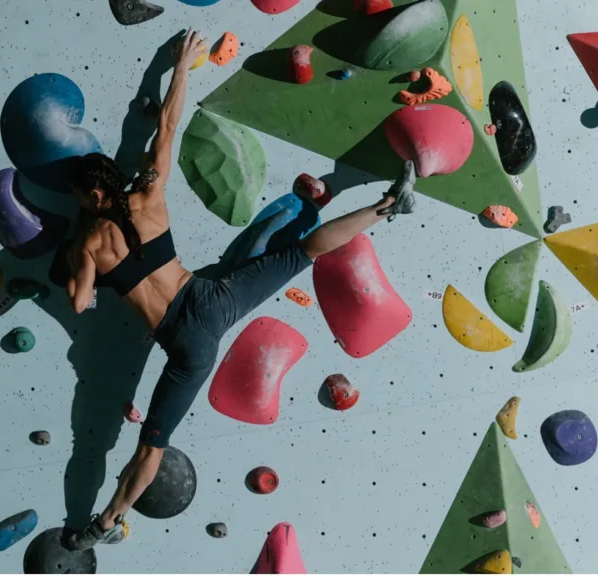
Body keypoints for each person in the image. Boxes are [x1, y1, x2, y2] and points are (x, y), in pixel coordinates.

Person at [62, 29, 401, 550]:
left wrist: (76, 262)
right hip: (209, 300)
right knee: (299, 252)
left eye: (80, 197)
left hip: (186, 344)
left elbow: (80, 304)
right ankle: (384, 207)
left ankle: (103, 523)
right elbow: (168, 123)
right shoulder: (148, 193)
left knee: (152, 444)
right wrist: (180, 64)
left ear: (92, 193)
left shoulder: (88, 243)